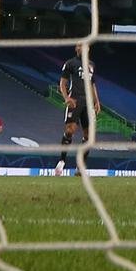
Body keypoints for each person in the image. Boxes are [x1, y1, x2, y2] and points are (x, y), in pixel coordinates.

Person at [56, 45, 101, 176]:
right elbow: (62, 82)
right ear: (77, 48)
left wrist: (97, 101)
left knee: (88, 136)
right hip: (75, 100)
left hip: (88, 103)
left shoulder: (91, 65)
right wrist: (66, 97)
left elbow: (92, 84)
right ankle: (62, 161)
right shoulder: (70, 63)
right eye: (82, 46)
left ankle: (80, 167)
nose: (84, 48)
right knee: (70, 130)